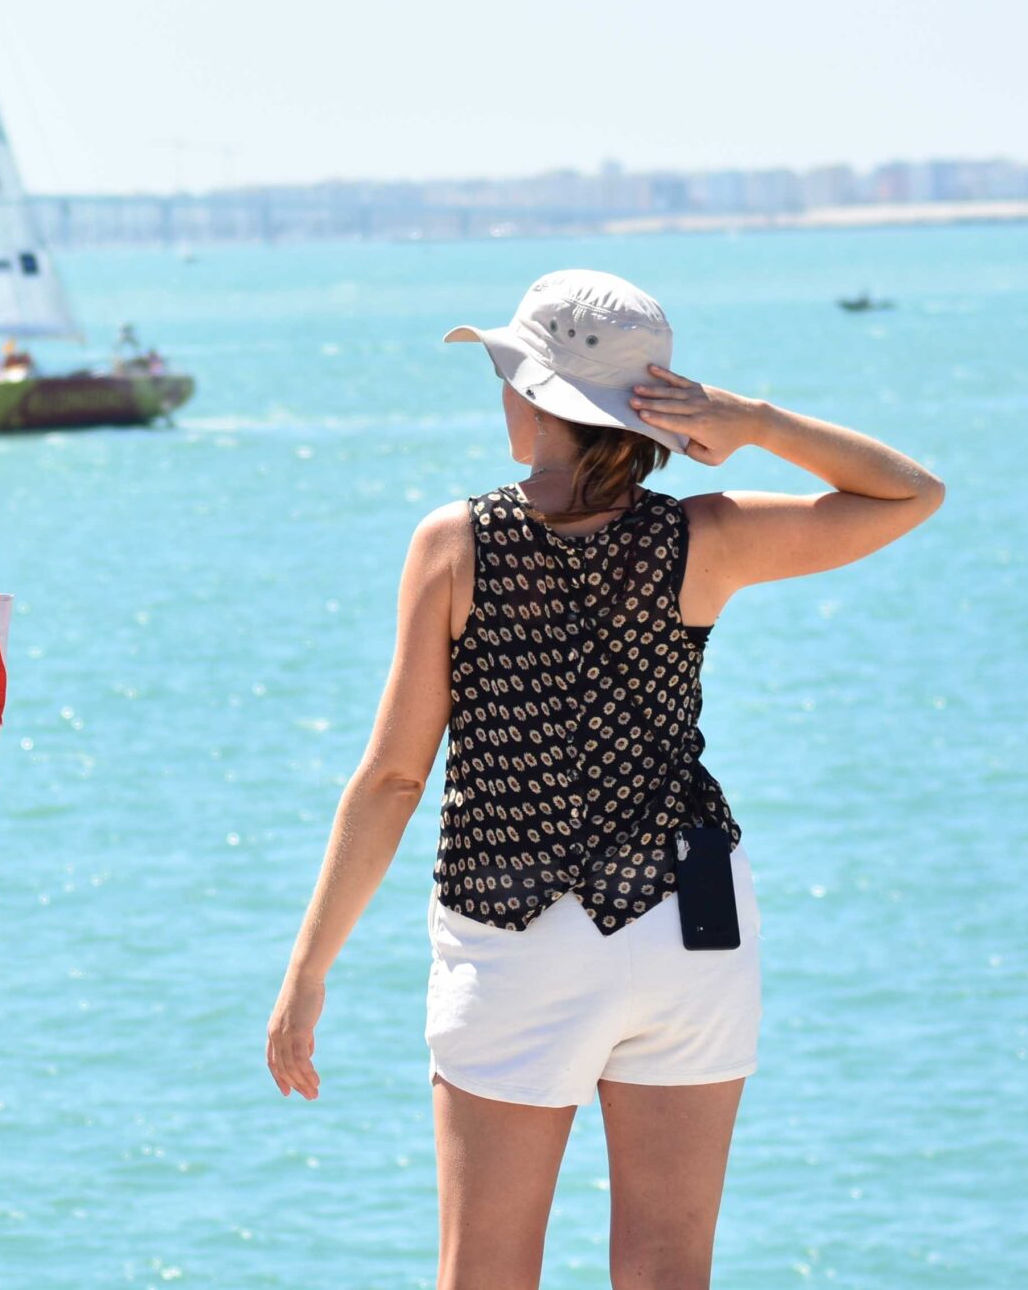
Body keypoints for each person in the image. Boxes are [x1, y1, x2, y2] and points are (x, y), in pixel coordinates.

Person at [265, 269, 944, 1290]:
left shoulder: (457, 543)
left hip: (516, 934)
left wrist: (308, 967)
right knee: (670, 1271)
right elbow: (909, 491)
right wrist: (748, 418)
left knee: (485, 1272)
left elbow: (396, 776)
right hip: (692, 925)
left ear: (537, 399)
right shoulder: (704, 537)